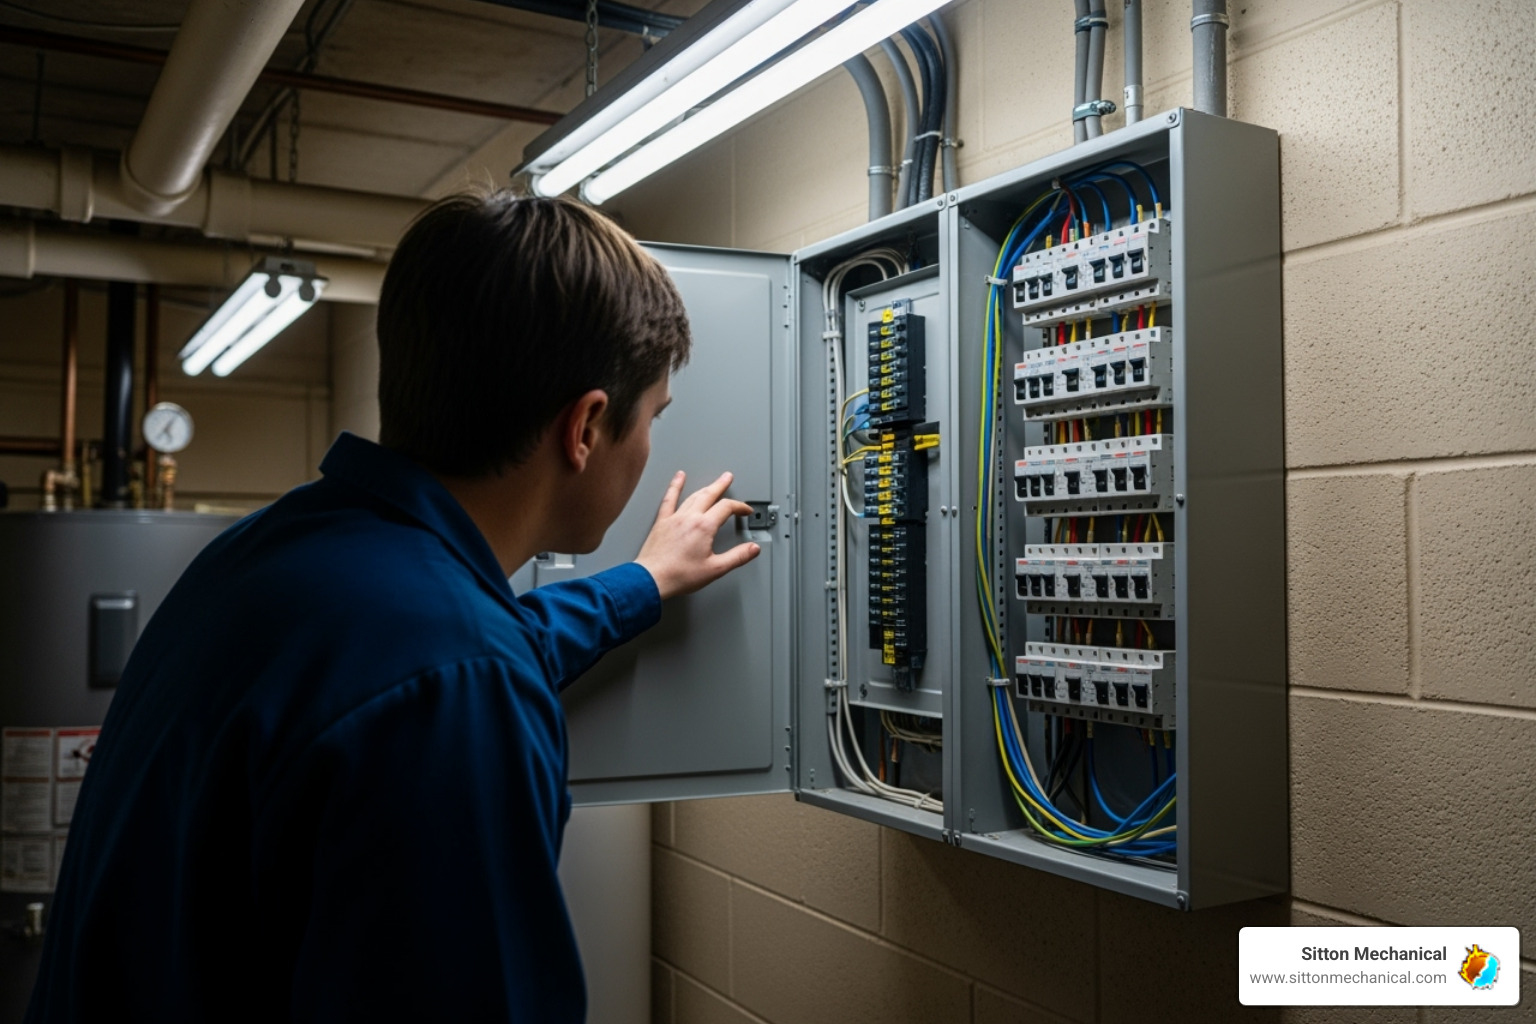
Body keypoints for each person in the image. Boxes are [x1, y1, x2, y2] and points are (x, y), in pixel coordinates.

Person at [26, 192, 759, 1022]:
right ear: (586, 426)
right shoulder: (456, 684)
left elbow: (454, 652)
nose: (652, 440)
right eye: (654, 416)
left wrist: (643, 582)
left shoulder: (274, 556)